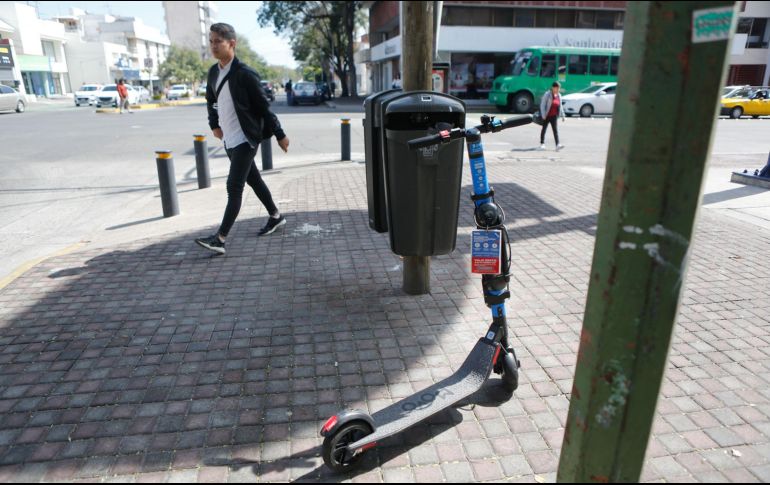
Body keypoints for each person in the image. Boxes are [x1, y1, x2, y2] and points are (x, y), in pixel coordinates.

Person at [194, 22, 290, 255]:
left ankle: (220, 238)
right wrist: (214, 124)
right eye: (211, 41)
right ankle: (276, 216)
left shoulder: (246, 74)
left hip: (247, 137)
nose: (213, 46)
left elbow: (263, 108)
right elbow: (210, 100)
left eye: (218, 41)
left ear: (232, 44)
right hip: (228, 138)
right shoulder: (213, 72)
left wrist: (279, 134)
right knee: (253, 180)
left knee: (233, 186)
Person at [539, 81, 565, 150]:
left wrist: (563, 116)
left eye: (559, 88)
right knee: (544, 129)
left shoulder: (559, 95)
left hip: (554, 116)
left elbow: (560, 106)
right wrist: (543, 115)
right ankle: (542, 143)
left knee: (555, 130)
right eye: (557, 88)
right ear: (553, 88)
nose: (558, 90)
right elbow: (542, 105)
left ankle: (557, 145)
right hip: (547, 115)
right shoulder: (547, 94)